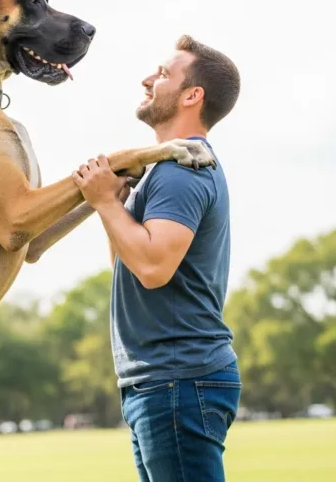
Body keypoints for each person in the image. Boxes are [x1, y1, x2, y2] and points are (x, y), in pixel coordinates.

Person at [71, 34, 242, 482]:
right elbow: (128, 263)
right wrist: (117, 206)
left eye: (164, 74)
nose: (148, 79)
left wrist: (105, 204)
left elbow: (152, 268)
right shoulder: (164, 171)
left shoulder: (180, 172)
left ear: (192, 95)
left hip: (179, 380)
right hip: (161, 382)